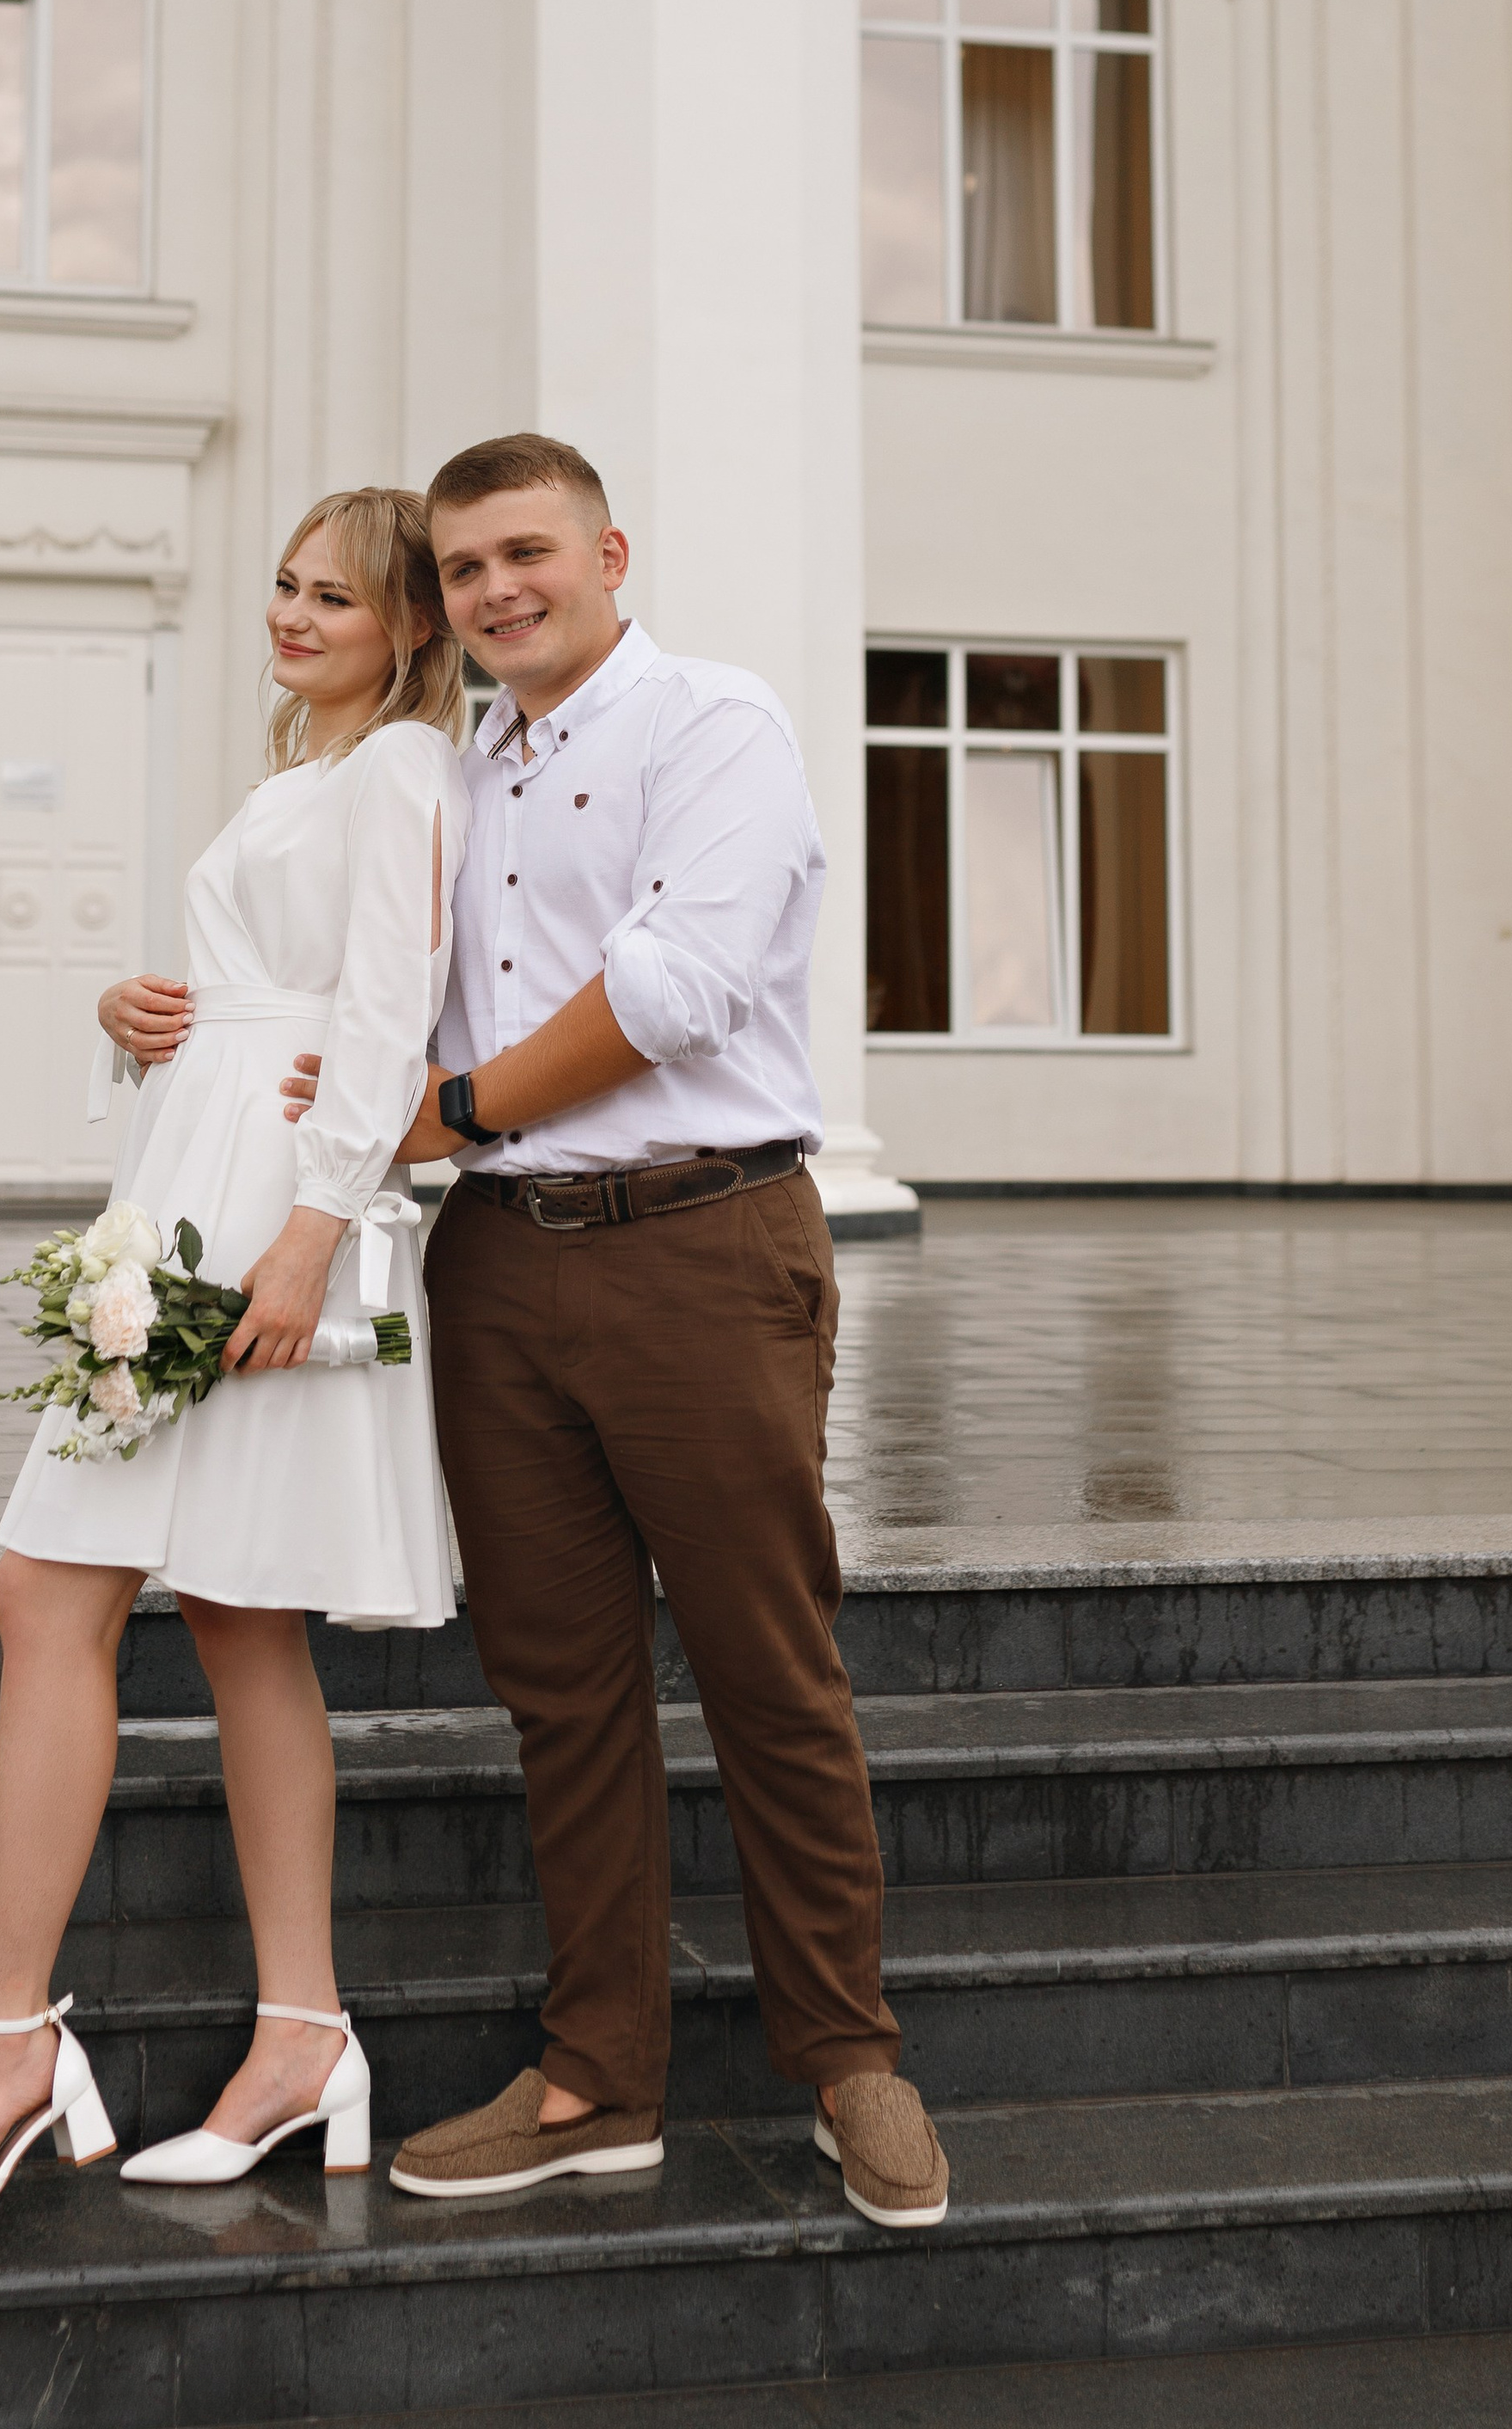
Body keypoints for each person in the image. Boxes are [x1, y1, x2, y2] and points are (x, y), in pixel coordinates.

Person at [287, 432, 948, 2232]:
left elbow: (674, 987)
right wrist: (171, 1017)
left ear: (605, 551)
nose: (495, 590)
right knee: (560, 1694)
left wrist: (452, 1108)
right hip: (495, 1266)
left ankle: (847, 2060)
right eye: (463, 568)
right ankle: (596, 2082)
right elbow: (361, 990)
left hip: (700, 1246)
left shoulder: (709, 723)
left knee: (764, 1666)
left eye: (526, 553)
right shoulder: (450, 770)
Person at [0, 490, 471, 2243]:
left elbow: (385, 1008)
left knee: (71, 1588)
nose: (288, 614)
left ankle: (7, 2045)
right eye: (281, 585)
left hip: (270, 1218)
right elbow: (275, 997)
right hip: (195, 1182)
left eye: (331, 595)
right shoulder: (301, 776)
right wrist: (161, 1021)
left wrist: (309, 1236)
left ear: (409, 625)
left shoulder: (403, 772)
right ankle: (292, 2034)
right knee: (206, 1609)